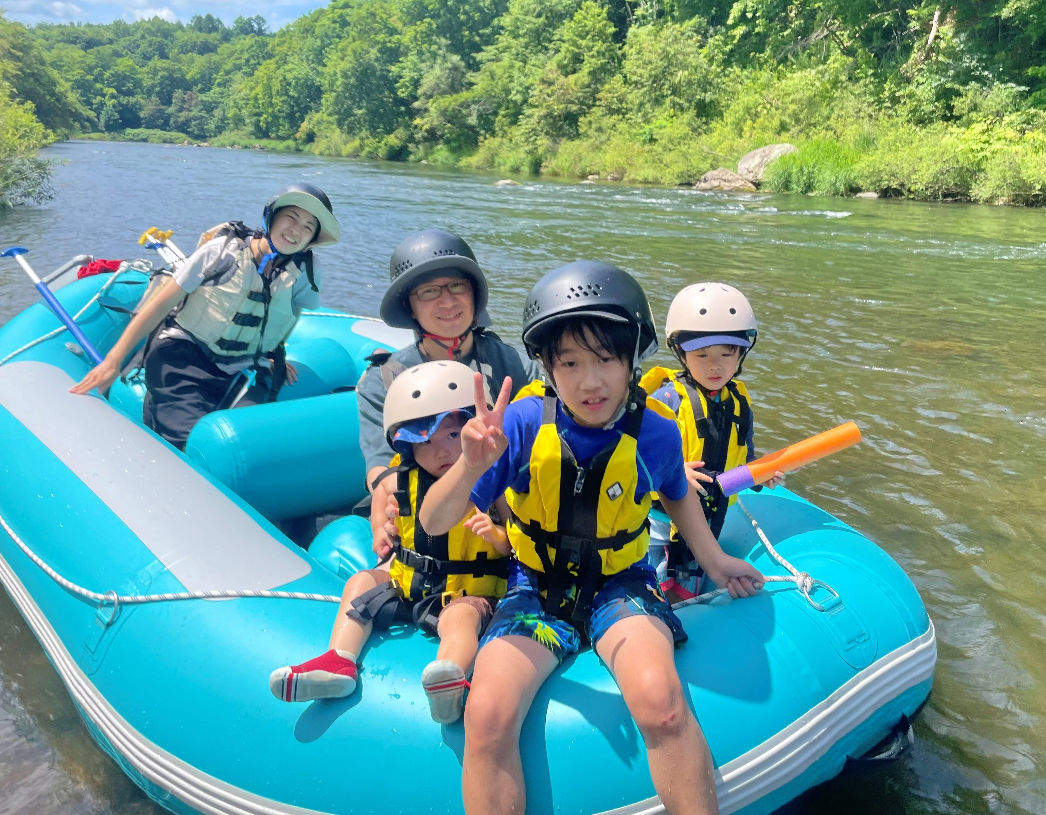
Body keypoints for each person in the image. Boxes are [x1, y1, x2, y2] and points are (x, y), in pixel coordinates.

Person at [418, 260, 765, 815]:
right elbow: (435, 522)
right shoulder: (523, 424)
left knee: (662, 704)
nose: (590, 381)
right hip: (535, 592)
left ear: (632, 359)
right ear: (549, 369)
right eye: (571, 363)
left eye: (606, 359)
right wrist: (467, 466)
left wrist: (717, 561)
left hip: (619, 587)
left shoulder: (654, 430)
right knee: (486, 712)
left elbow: (676, 493)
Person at [270, 360, 511, 722]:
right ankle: (340, 660)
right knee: (361, 581)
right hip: (409, 582)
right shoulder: (401, 479)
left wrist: (496, 535)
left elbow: (519, 544)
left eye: (451, 435)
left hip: (469, 591)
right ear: (406, 445)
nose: (442, 451)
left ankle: (451, 676)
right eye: (424, 441)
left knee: (460, 618)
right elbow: (391, 533)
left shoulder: (494, 484)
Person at [70, 184, 340, 449]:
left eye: (308, 227)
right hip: (184, 358)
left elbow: (290, 313)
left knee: (246, 446)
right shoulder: (222, 251)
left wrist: (270, 352)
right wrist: (113, 361)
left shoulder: (307, 271)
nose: (296, 230)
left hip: (244, 366)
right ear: (271, 216)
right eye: (291, 218)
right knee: (191, 446)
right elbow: (161, 305)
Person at [357, 229, 538, 496]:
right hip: (428, 512)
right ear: (410, 307)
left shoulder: (515, 365)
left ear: (473, 294)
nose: (447, 300)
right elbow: (381, 469)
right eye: (429, 291)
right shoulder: (384, 380)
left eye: (457, 286)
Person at [640, 283, 783, 598]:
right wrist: (673, 474)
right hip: (661, 525)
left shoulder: (738, 403)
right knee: (657, 590)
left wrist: (762, 475)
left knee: (687, 591)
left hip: (709, 518)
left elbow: (742, 457)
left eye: (726, 354)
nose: (714, 365)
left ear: (741, 353)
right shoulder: (666, 400)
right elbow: (632, 462)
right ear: (681, 353)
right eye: (702, 354)